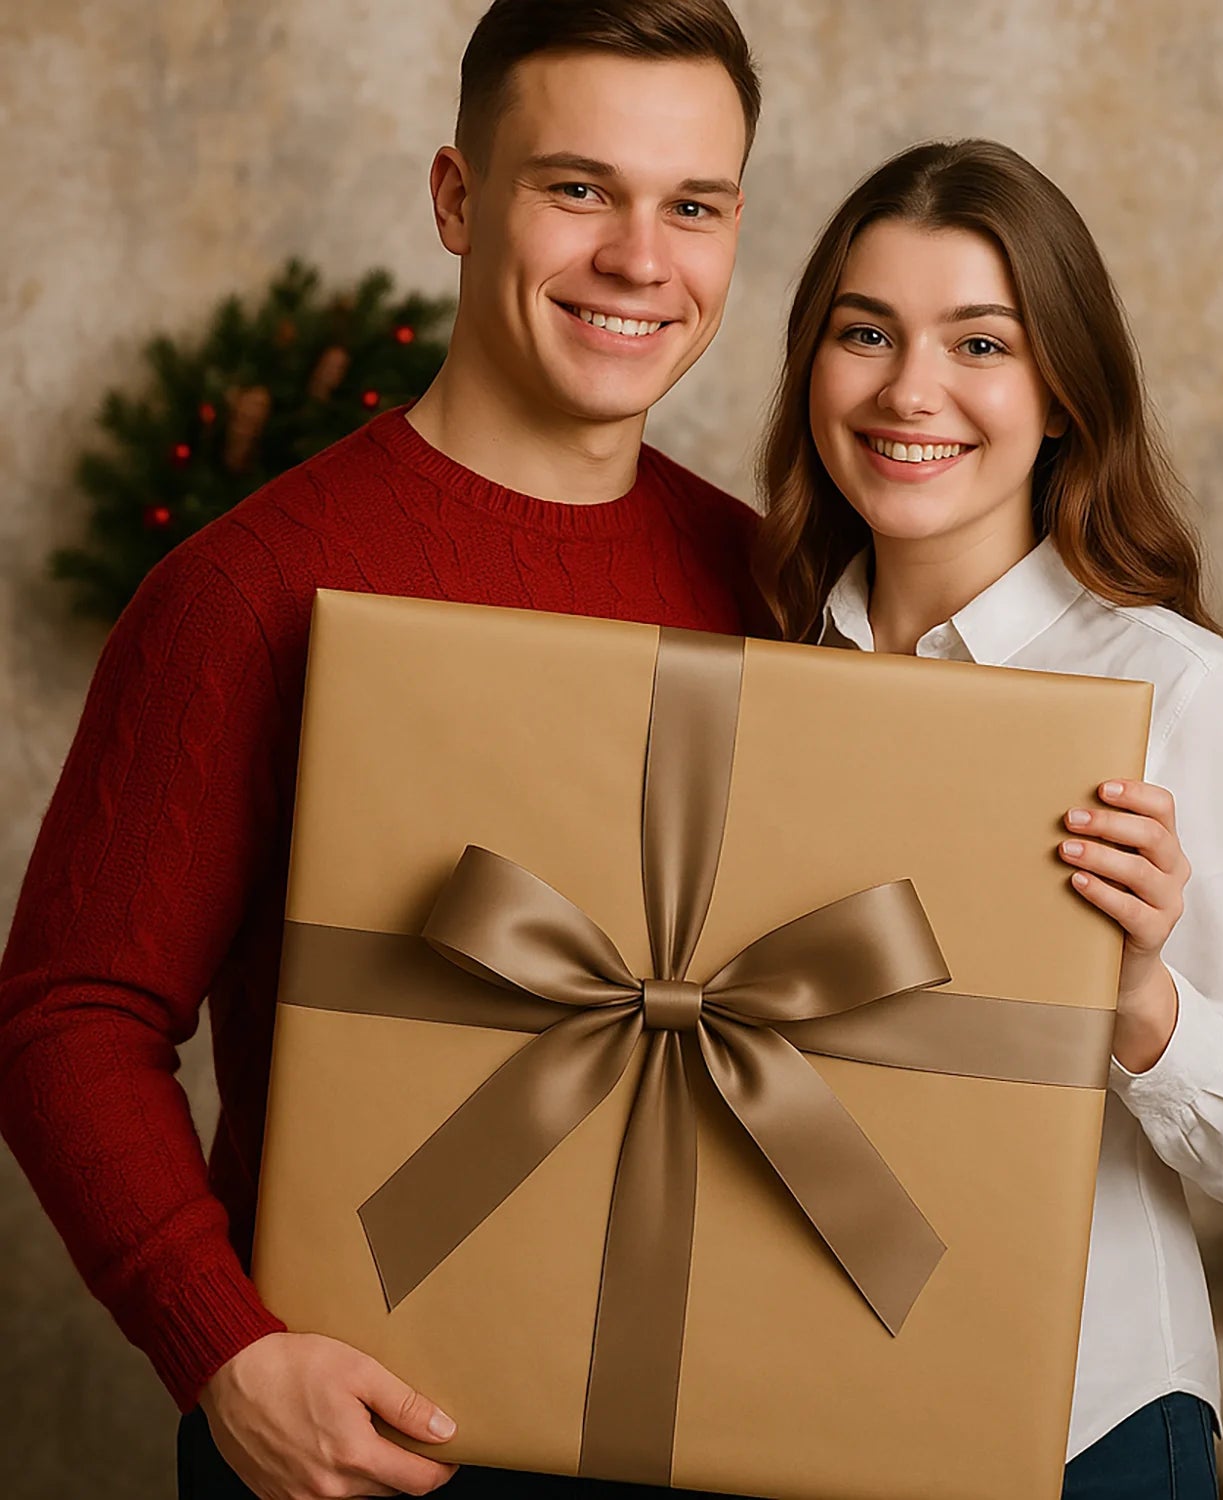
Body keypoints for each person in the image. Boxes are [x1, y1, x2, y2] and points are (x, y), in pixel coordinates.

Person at [0, 2, 764, 1496]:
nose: (639, 258)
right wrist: (224, 1350)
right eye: (578, 188)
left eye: (695, 205)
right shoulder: (243, 588)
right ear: (458, 199)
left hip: (692, 1425)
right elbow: (67, 1018)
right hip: (355, 1449)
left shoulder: (772, 583)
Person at [753, 138, 1223, 1499]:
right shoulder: (765, 668)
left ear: (1065, 391)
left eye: (981, 344)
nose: (912, 391)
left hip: (1082, 1429)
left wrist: (1138, 1003)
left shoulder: (1176, 692)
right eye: (865, 332)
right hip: (787, 1411)